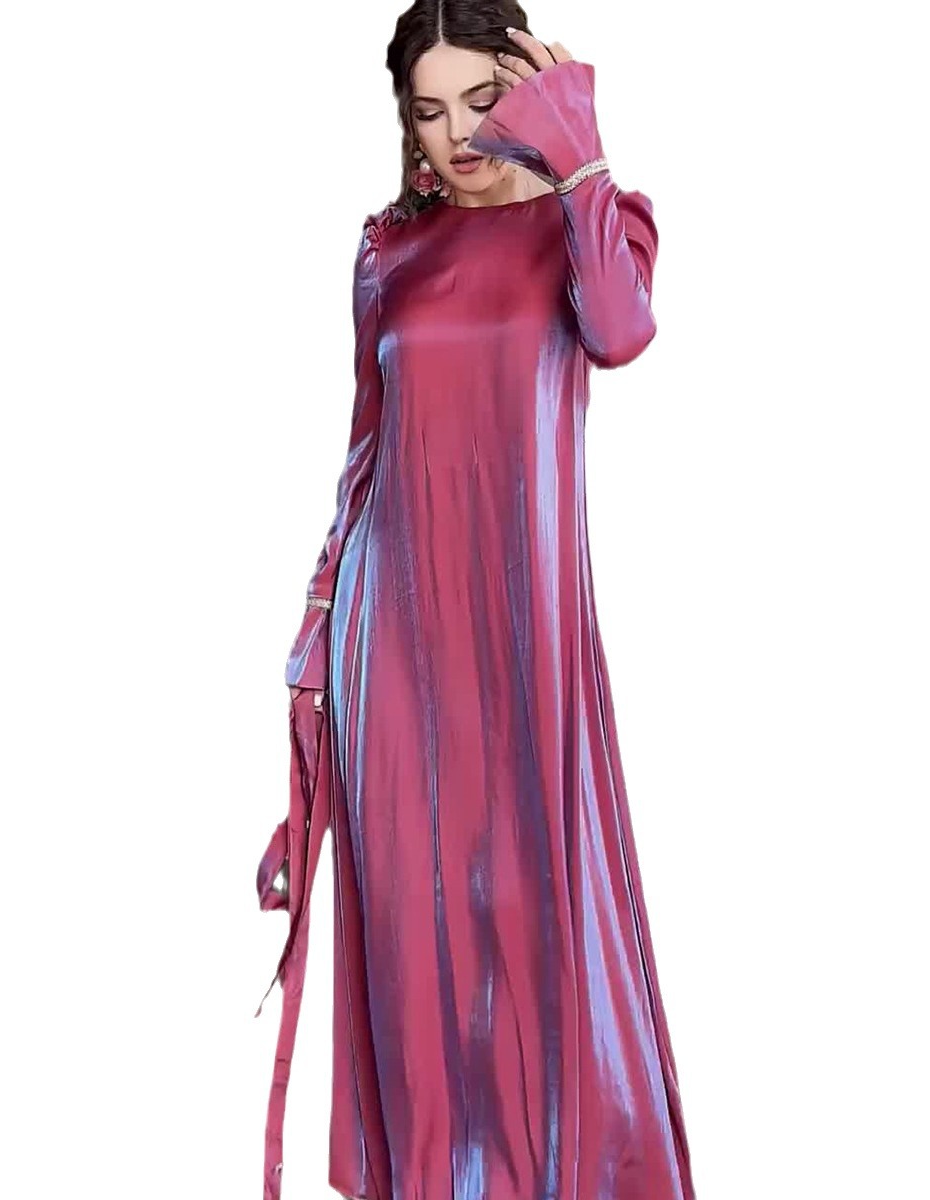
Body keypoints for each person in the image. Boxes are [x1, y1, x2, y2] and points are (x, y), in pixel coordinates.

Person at [254, 9, 697, 1199]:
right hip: (389, 638)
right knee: (414, 938)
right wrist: (312, 655)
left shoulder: (593, 226)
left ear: (529, 88)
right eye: (428, 111)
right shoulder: (386, 252)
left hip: (524, 635)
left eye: (481, 100)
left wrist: (580, 147)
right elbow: (363, 457)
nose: (454, 135)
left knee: (536, 928)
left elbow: (622, 333)